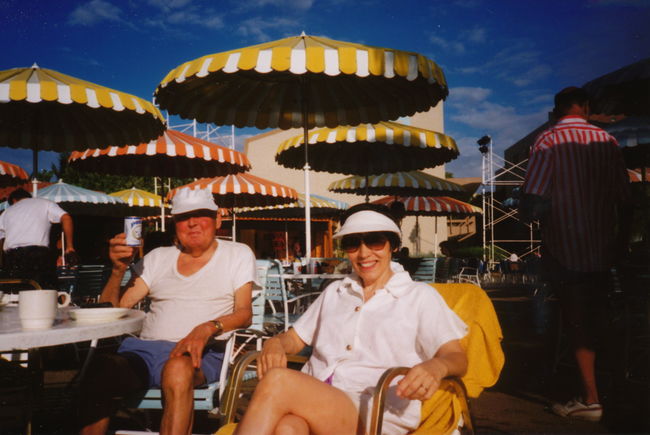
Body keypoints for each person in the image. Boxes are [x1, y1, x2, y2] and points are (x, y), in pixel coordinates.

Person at [234, 203, 468, 435]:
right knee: (288, 429)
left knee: (278, 381)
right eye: (352, 243)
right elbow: (295, 339)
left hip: (375, 408)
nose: (364, 253)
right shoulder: (336, 291)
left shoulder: (419, 296)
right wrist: (275, 343)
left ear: (393, 246)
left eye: (375, 240)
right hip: (316, 397)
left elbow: (456, 356)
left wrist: (436, 366)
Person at [79, 188, 257, 435]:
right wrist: (118, 270)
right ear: (175, 224)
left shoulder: (237, 254)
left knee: (177, 368)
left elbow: (244, 313)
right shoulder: (156, 258)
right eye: (184, 217)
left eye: (201, 215)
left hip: (200, 354)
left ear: (217, 219)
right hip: (145, 352)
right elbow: (115, 311)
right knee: (101, 370)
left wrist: (208, 327)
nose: (192, 223)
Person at [521, 87, 631, 422]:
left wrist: (530, 214)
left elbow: (534, 200)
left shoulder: (547, 140)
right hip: (604, 246)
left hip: (566, 246)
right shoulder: (606, 141)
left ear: (556, 111)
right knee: (599, 317)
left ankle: (590, 398)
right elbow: (625, 199)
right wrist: (620, 242)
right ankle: (614, 391)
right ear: (585, 107)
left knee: (576, 319)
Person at [0, 188, 75, 288]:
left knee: (16, 295)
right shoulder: (45, 203)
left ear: (13, 201)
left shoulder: (6, 212)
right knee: (44, 293)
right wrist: (69, 246)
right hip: (37, 255)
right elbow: (66, 218)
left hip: (13, 258)